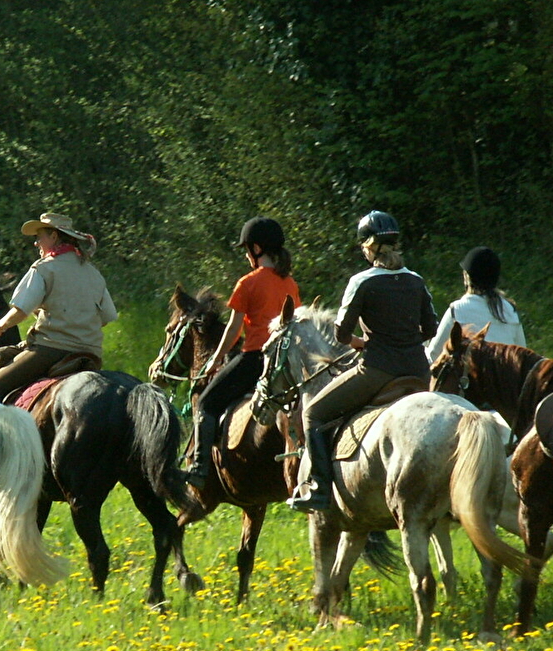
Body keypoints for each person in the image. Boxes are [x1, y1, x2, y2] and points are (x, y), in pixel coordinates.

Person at [288, 210, 437, 513]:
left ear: (369, 246)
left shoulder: (362, 282)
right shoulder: (416, 280)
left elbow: (342, 334)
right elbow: (431, 329)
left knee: (314, 413)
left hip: (377, 370)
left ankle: (318, 489)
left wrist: (363, 343)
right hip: (420, 372)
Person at [183, 216, 301, 488]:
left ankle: (200, 469)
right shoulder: (290, 284)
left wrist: (214, 360)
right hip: (283, 363)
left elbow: (234, 329)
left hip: (254, 360)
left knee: (207, 402)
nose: (247, 255)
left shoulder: (248, 283)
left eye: (247, 249)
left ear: (257, 249)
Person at [0, 213, 118, 402]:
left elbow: (21, 310)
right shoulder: (94, 273)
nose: (36, 243)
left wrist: (1, 325)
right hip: (91, 353)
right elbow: (106, 318)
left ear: (54, 236)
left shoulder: (44, 267)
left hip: (51, 351)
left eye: (39, 237)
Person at [424, 246, 525, 360]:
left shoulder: (457, 310)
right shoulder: (510, 310)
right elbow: (521, 355)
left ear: (467, 277)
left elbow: (433, 355)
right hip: (506, 377)